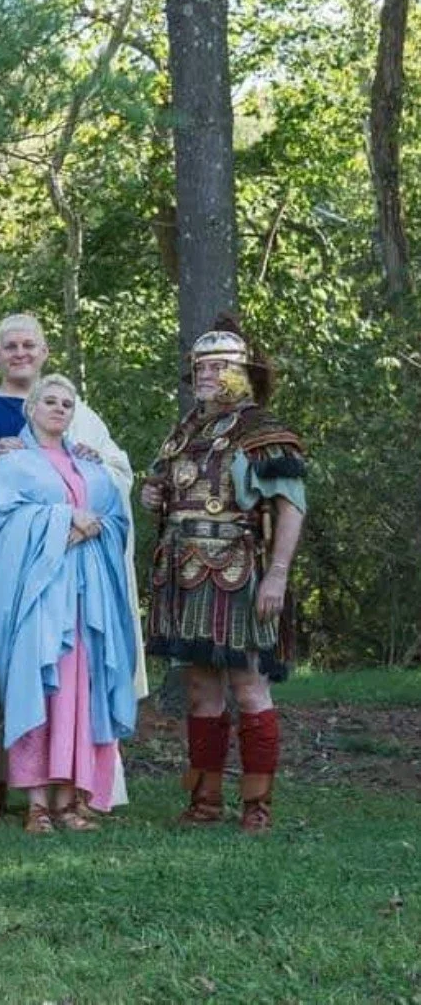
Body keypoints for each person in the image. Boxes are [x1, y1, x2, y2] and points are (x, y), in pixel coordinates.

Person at [0, 313, 145, 809]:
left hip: (80, 582)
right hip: (5, 569)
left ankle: (76, 790)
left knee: (77, 680)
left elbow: (115, 488)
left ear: (45, 351)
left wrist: (88, 507)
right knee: (5, 674)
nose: (21, 353)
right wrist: (58, 520)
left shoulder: (85, 431)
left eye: (30, 344)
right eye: (11, 345)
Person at [142, 318, 306, 832]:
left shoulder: (262, 430)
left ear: (242, 372)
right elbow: (176, 494)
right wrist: (155, 499)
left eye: (219, 366)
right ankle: (206, 802)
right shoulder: (184, 431)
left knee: (250, 685)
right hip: (185, 571)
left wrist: (277, 574)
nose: (208, 374)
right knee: (200, 690)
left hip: (242, 570)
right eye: (201, 366)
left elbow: (291, 507)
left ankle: (257, 806)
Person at [0, 375, 139, 833]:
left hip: (88, 599)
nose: (58, 409)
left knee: (82, 691)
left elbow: (114, 522)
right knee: (39, 686)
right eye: (49, 401)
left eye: (66, 404)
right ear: (30, 408)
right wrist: (63, 519)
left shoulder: (91, 467)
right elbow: (1, 524)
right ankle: (36, 805)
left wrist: (94, 527)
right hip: (39, 596)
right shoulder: (15, 464)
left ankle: (71, 802)